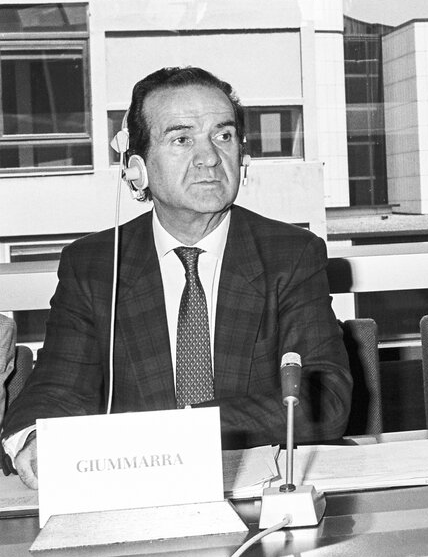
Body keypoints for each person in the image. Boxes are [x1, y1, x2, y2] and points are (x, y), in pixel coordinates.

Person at [2, 66, 352, 488]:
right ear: (138, 167)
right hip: (135, 500)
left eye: (223, 136)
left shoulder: (290, 255)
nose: (209, 158)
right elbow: (57, 389)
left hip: (257, 498)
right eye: (182, 139)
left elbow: (323, 398)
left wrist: (179, 431)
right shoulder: (94, 266)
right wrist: (37, 438)